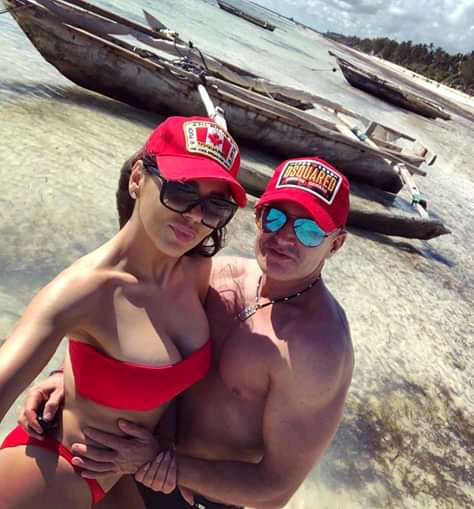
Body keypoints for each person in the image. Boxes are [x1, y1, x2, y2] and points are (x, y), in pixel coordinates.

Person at [19, 156, 354, 509]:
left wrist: (166, 466)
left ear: (336, 244)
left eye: (309, 230)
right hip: (121, 458)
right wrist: (67, 376)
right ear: (257, 217)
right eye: (274, 217)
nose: (284, 236)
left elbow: (275, 489)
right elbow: (118, 315)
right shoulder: (215, 276)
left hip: (197, 496)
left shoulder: (318, 350)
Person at [0, 115, 247, 508]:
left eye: (215, 206)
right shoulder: (84, 289)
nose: (195, 216)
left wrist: (67, 375)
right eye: (181, 191)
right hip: (47, 475)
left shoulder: (196, 271)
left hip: (118, 483)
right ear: (137, 179)